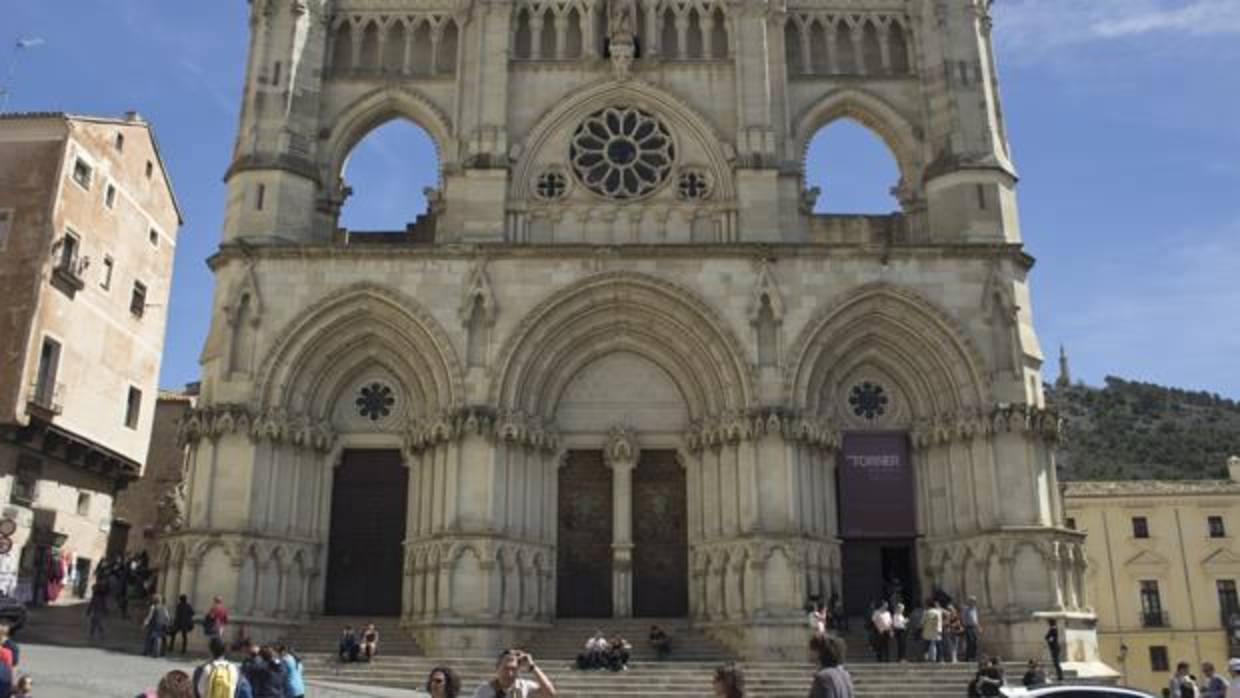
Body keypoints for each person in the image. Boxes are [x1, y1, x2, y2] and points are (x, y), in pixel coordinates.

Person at [471, 649, 556, 697]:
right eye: (506, 668)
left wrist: (532, 667)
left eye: (513, 669)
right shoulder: (484, 691)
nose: (510, 673)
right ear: (497, 669)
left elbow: (550, 693)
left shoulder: (523, 686)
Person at [808, 633, 854, 698]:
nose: (809, 653)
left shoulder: (823, 677)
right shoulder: (845, 674)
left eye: (811, 649)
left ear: (818, 652)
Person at [963, 596, 981, 662]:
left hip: (974, 627)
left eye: (974, 601)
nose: (973, 602)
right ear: (969, 602)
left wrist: (978, 627)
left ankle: (973, 656)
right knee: (970, 642)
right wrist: (965, 626)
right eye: (971, 601)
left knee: (975, 642)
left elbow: (976, 619)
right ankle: (968, 657)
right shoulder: (966, 609)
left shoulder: (975, 609)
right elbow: (964, 619)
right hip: (968, 627)